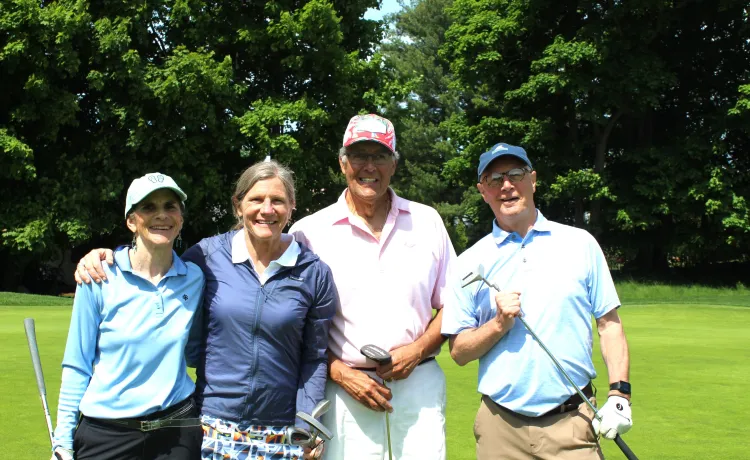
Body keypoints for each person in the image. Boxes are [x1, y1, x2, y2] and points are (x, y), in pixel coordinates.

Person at [75, 160, 338, 460]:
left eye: (277, 200)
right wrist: (107, 256)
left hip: (283, 433)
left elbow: (314, 357)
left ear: (292, 207)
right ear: (238, 206)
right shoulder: (206, 256)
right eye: (256, 199)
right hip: (211, 428)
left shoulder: (313, 272)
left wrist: (307, 423)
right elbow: (156, 261)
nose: (267, 209)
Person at [441, 143, 633, 459]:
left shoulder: (579, 244)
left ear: (532, 180)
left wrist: (620, 394)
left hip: (572, 422)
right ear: (483, 191)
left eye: (515, 174)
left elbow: (609, 325)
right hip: (500, 428)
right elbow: (459, 352)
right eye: (494, 179)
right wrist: (499, 324)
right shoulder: (469, 262)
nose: (506, 185)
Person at [288, 114, 456, 460]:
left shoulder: (427, 222)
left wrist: (418, 349)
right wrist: (339, 371)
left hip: (419, 383)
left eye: (379, 156)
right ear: (342, 162)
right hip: (343, 391)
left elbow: (454, 304)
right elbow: (293, 324)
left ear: (393, 164)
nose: (369, 166)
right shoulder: (308, 233)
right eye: (359, 155)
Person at [52, 173, 205, 460]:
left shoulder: (194, 277)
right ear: (131, 221)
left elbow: (196, 351)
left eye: (170, 206)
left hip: (176, 429)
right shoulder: (98, 275)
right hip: (107, 433)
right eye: (149, 207)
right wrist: (62, 440)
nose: (162, 215)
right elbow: (77, 363)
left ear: (181, 219)